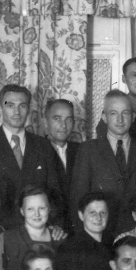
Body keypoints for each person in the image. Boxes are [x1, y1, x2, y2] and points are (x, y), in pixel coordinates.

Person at [0, 84, 64, 228]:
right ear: (0, 107)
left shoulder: (43, 145)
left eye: (22, 106)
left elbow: (55, 192)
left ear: (29, 109)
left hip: (36, 229)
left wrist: (54, 225)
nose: (17, 112)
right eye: (10, 105)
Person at [71, 91, 136, 236]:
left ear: (133, 116)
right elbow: (78, 198)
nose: (120, 119)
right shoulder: (88, 149)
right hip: (100, 232)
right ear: (104, 117)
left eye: (125, 113)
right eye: (113, 113)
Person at [52, 193, 116, 270]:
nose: (98, 218)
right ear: (81, 215)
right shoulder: (70, 248)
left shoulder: (113, 245)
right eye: (92, 213)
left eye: (103, 213)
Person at [3, 186, 65, 270]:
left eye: (41, 208)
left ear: (49, 209)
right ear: (22, 211)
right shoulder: (12, 237)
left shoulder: (59, 238)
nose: (37, 214)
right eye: (30, 209)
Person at [43, 98, 79, 230]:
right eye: (57, 119)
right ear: (45, 122)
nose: (63, 125)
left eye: (68, 119)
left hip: (78, 228)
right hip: (49, 229)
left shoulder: (81, 151)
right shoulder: (36, 151)